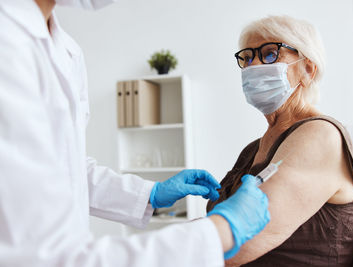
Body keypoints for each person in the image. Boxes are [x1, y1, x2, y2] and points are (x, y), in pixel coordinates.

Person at [0, 0, 271, 266]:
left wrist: (149, 193)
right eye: (247, 58)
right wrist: (219, 233)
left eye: (270, 55)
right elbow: (38, 255)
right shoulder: (8, 43)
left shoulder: (66, 50)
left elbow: (62, 168)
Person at [207, 15, 353, 266]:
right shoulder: (253, 149)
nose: (254, 66)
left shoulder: (321, 136)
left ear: (308, 69)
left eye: (270, 54)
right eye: (247, 58)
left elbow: (241, 243)